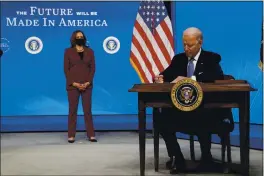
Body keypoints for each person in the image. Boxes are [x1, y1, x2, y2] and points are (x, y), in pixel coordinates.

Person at [154, 27, 231, 174]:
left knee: (203, 117)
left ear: (200, 42)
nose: (186, 48)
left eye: (190, 45)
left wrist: (189, 80)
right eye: (184, 44)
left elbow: (216, 78)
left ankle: (206, 160)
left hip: (205, 109)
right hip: (181, 110)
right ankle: (178, 158)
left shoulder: (211, 58)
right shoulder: (179, 59)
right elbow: (166, 75)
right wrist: (160, 78)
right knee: (161, 120)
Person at [64, 30, 97, 143]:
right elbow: (66, 70)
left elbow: (93, 69)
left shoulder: (90, 52)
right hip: (73, 86)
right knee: (72, 110)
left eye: (81, 36)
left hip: (87, 85)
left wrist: (87, 82)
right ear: (74, 39)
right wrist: (74, 83)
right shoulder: (68, 52)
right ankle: (71, 135)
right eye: (77, 37)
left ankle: (91, 135)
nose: (79, 38)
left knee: (87, 110)